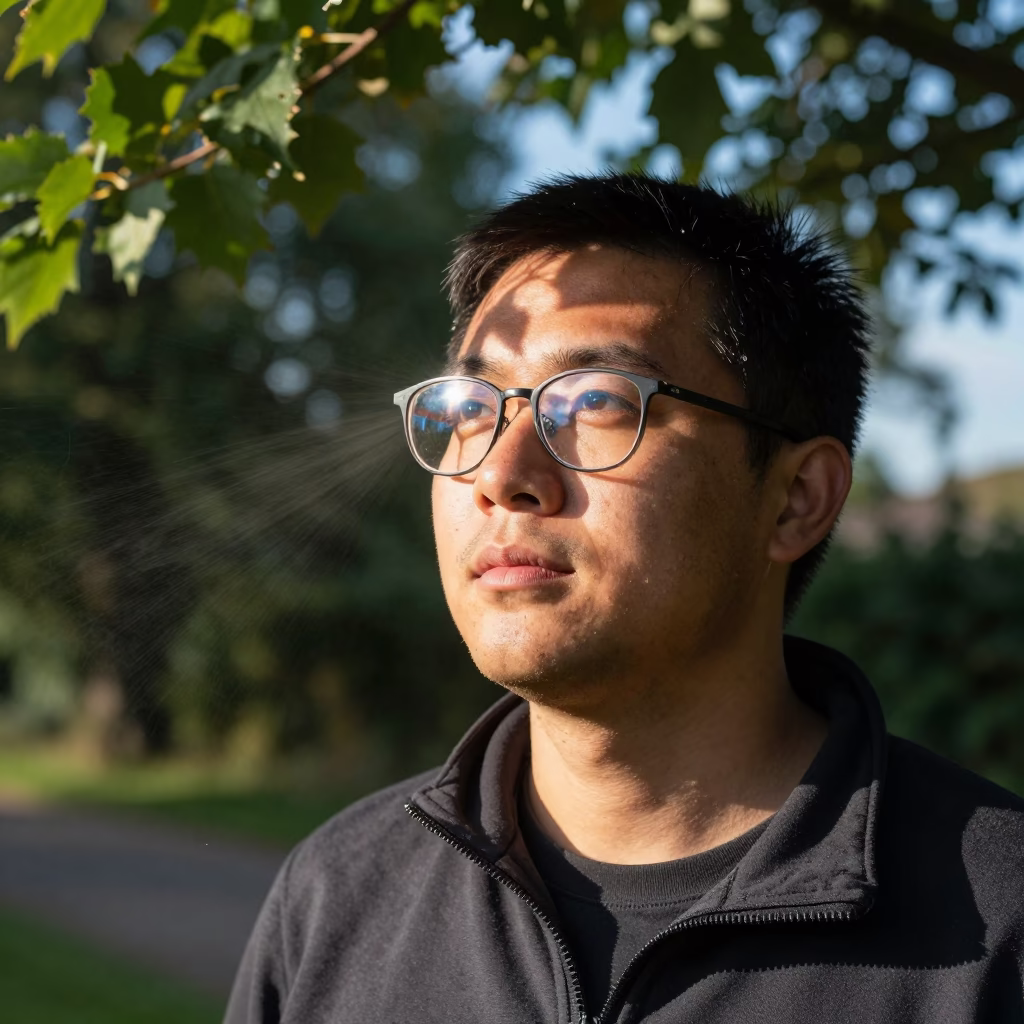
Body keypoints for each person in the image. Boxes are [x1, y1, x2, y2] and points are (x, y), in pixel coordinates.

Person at [225, 174, 1024, 1024]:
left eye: (598, 402)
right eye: (470, 406)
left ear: (797, 499)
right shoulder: (337, 898)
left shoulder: (999, 932)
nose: (501, 475)